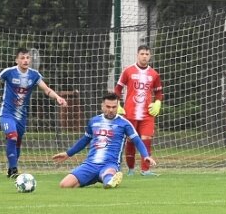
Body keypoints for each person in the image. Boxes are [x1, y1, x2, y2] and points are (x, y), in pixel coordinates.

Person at [0, 48, 67, 179]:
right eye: (22, 58)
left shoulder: (34, 75)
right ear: (16, 60)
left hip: (22, 115)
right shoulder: (9, 72)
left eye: (27, 58)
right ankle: (14, 170)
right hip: (7, 113)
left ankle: (11, 168)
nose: (25, 60)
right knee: (12, 136)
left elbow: (46, 89)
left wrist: (57, 97)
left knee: (17, 142)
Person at [52, 92, 157, 188]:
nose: (111, 110)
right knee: (64, 185)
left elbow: (137, 140)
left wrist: (145, 155)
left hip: (110, 164)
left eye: (114, 107)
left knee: (109, 178)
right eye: (108, 107)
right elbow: (85, 140)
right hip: (90, 164)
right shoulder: (94, 121)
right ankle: (95, 178)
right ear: (102, 106)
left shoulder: (124, 123)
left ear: (117, 107)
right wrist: (68, 154)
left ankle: (110, 179)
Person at [115, 45, 163, 176]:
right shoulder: (128, 71)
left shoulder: (154, 74)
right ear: (137, 55)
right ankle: (131, 169)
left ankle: (145, 170)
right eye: (142, 54)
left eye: (147, 54)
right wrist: (117, 104)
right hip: (129, 112)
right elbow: (118, 89)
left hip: (147, 114)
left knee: (146, 139)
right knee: (131, 140)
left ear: (150, 56)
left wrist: (157, 103)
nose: (144, 56)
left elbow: (159, 93)